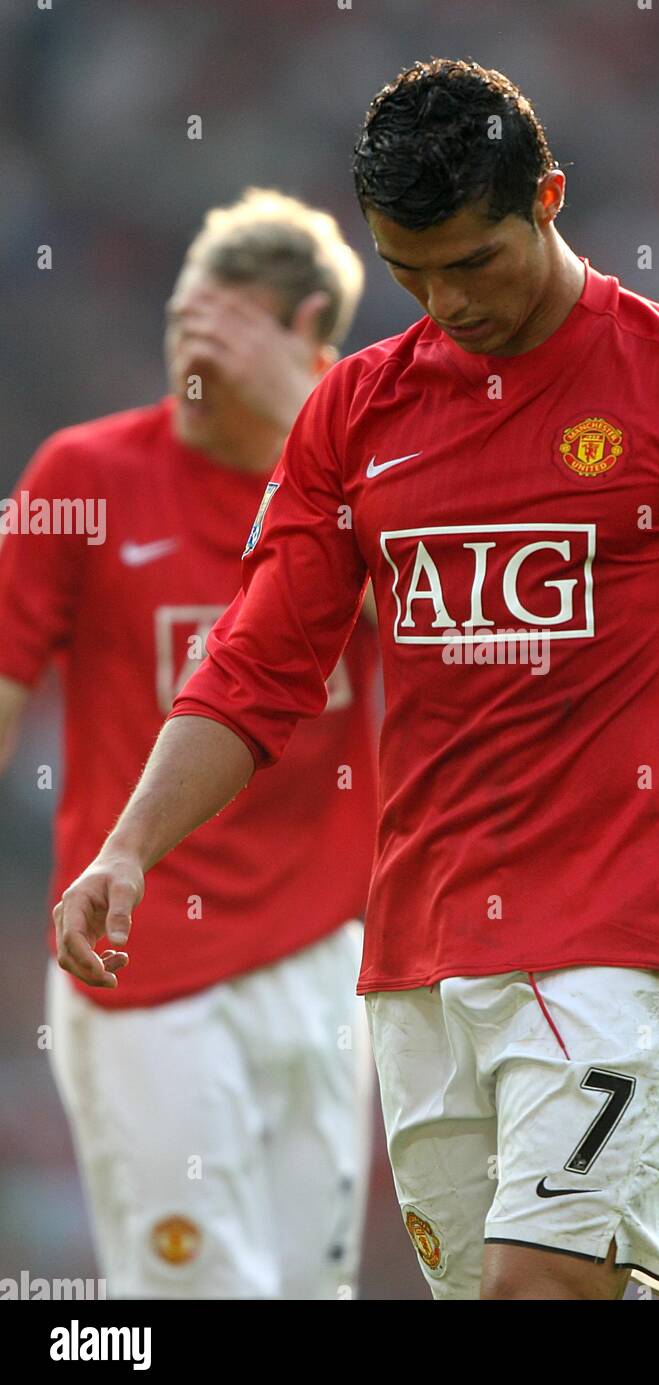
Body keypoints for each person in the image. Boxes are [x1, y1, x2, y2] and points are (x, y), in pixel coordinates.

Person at [52, 60, 659, 1303]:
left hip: (616, 939)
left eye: (471, 263)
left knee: (541, 1289)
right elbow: (257, 667)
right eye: (408, 273)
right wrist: (130, 848)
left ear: (548, 198)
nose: (444, 303)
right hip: (421, 949)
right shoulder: (353, 417)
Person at [0, 188, 379, 1299]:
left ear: (309, 334)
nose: (189, 357)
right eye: (178, 325)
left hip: (323, 948)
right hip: (140, 955)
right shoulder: (82, 475)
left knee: (311, 1286)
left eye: (222, 333)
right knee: (196, 1287)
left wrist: (300, 429)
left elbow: (453, 646)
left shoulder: (370, 488)